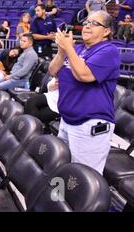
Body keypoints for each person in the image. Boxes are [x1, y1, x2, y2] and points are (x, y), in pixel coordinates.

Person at [49, 10, 120, 174]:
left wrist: (69, 48)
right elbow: (53, 70)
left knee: (84, 178)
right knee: (63, 170)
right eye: (86, 22)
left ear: (107, 31)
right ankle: (59, 199)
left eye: (94, 23)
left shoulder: (108, 51)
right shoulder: (78, 49)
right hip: (67, 119)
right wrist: (62, 51)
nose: (87, 25)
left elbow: (84, 75)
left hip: (90, 123)